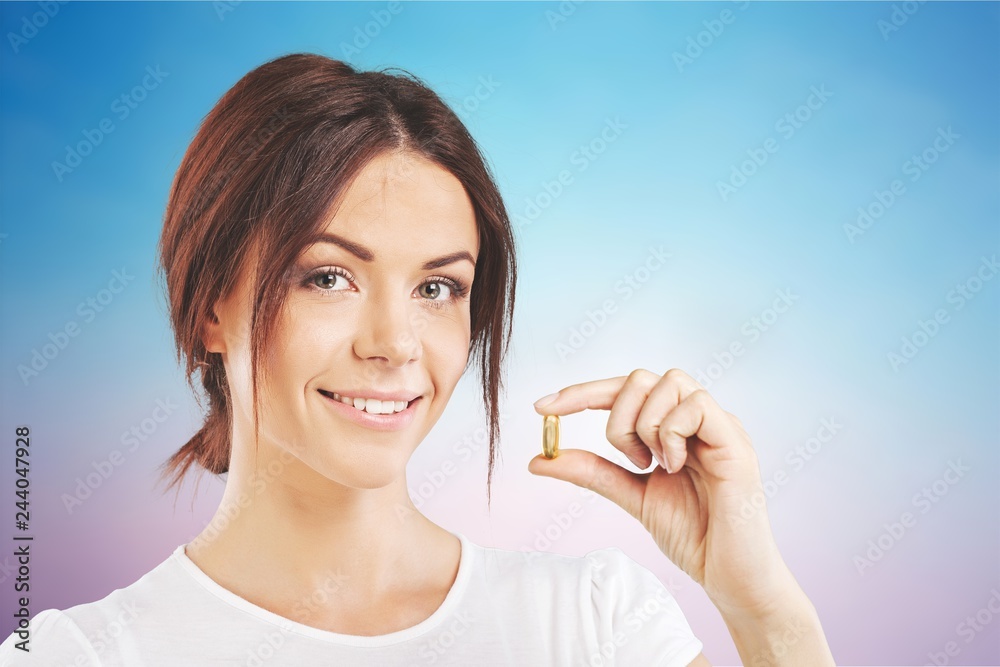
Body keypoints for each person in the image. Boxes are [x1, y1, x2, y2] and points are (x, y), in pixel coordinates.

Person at [0, 53, 835, 666]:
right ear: (211, 305)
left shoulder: (590, 626)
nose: (394, 343)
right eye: (329, 276)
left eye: (438, 288)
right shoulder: (74, 655)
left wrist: (760, 603)